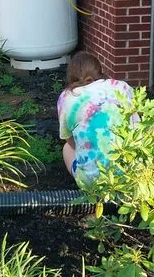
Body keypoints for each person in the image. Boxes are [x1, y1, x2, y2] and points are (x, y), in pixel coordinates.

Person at [57, 51, 135, 188]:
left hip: (94, 183)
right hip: (132, 176)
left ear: (71, 76)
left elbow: (70, 140)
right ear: (100, 71)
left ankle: (86, 183)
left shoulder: (67, 97)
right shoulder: (121, 87)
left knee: (66, 148)